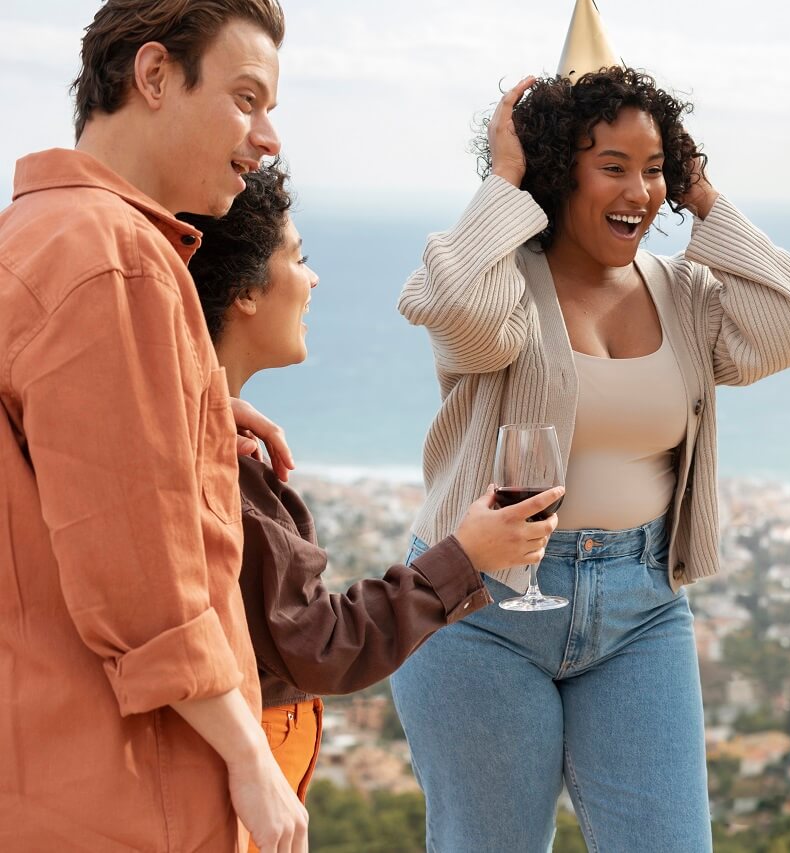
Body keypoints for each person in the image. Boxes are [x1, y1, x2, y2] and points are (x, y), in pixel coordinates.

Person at [389, 63, 790, 851]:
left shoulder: (687, 294)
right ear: (560, 172)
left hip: (641, 607)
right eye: (614, 167)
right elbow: (455, 308)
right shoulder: (503, 292)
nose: (641, 191)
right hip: (481, 610)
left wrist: (704, 197)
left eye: (655, 169)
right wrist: (504, 180)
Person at [0, 2, 309, 851]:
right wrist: (253, 759)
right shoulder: (116, 257)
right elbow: (140, 575)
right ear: (155, 76)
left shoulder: (28, 235)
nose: (268, 135)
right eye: (248, 98)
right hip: (139, 790)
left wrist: (192, 401)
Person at [178, 163, 563, 819]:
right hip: (236, 775)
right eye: (300, 258)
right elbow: (320, 645)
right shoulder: (222, 464)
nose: (314, 278)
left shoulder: (201, 431)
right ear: (244, 290)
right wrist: (463, 555)